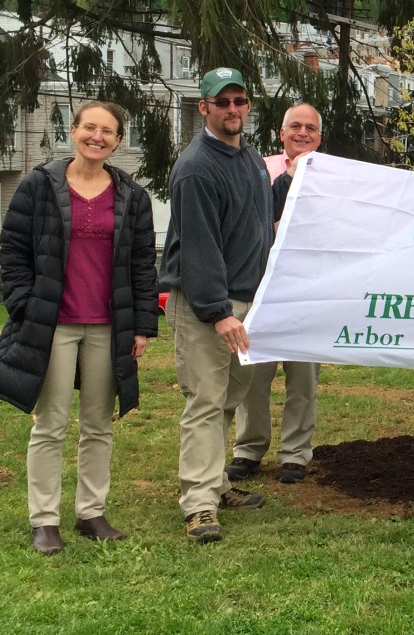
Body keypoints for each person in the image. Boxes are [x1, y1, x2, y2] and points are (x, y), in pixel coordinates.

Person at [0, 101, 159, 555]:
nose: (97, 137)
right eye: (89, 128)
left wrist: (140, 326)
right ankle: (44, 520)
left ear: (118, 141)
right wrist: (23, 305)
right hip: (53, 323)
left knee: (99, 424)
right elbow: (13, 249)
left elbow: (142, 265)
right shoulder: (39, 186)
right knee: (51, 423)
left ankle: (91, 513)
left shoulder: (132, 198)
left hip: (107, 326)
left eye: (108, 131)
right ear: (74, 131)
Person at [159, 67, 275, 544]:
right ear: (203, 107)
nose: (232, 110)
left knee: (228, 399)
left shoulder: (248, 159)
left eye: (240, 101)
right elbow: (200, 248)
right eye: (221, 102)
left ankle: (217, 482)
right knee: (205, 402)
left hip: (250, 301)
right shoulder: (196, 167)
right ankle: (199, 504)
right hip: (210, 306)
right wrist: (218, 311)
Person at [225, 103, 324, 485]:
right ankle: (248, 450)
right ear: (281, 133)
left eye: (310, 128)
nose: (302, 133)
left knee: (303, 380)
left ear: (319, 136)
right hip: (260, 289)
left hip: (310, 290)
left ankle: (296, 455)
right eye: (294, 126)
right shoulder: (259, 168)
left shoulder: (336, 175)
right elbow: (253, 217)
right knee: (253, 376)